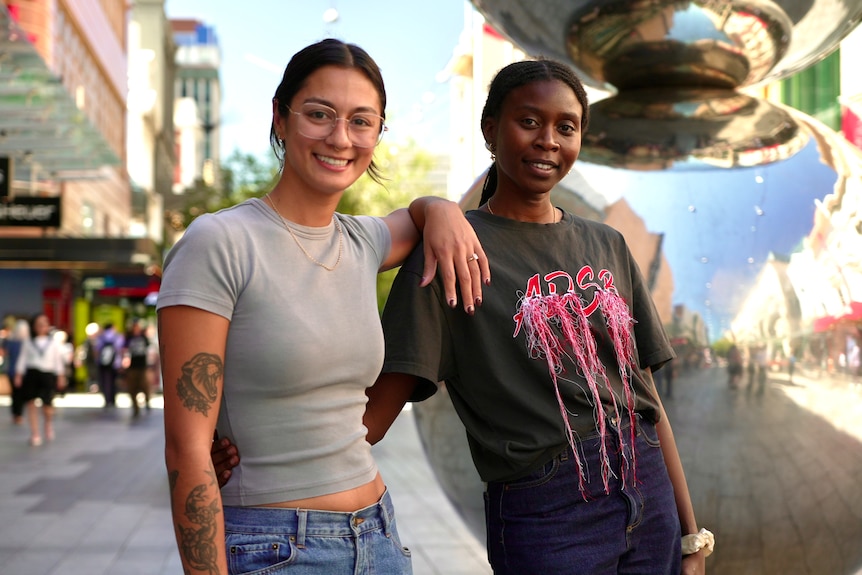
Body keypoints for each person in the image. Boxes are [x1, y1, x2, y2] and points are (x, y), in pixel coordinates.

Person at [214, 58, 711, 574]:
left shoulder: (607, 243)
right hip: (550, 513)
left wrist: (690, 533)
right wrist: (246, 447)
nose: (548, 140)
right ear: (490, 130)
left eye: (567, 126)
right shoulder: (447, 253)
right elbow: (368, 421)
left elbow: (646, 397)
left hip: (647, 489)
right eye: (529, 121)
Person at [158, 39, 488, 575]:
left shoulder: (363, 242)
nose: (341, 137)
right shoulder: (218, 242)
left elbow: (418, 215)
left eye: (362, 122)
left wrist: (443, 209)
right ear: (280, 119)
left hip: (378, 535)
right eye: (319, 114)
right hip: (274, 547)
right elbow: (186, 450)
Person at [13, 314, 67, 446]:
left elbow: (57, 361)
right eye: (39, 324)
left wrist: (61, 376)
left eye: (45, 324)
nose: (42, 327)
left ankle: (48, 423)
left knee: (47, 406)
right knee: (31, 404)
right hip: (32, 373)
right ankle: (35, 433)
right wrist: (18, 374)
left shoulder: (53, 342)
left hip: (47, 374)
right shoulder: (28, 342)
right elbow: (22, 359)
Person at [121, 319, 151, 417]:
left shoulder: (143, 337)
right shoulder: (128, 337)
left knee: (144, 386)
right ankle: (136, 407)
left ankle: (147, 401)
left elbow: (149, 349)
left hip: (142, 365)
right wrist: (125, 359)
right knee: (132, 388)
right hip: (132, 366)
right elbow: (124, 349)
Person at [4, 318, 29, 424]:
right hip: (16, 372)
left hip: (16, 371)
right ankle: (17, 414)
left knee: (16, 394)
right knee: (18, 394)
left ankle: (17, 414)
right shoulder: (17, 343)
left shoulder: (13, 342)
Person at [95, 323, 122, 408]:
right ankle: (113, 400)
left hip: (103, 364)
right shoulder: (117, 336)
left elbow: (97, 350)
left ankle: (107, 400)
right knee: (114, 382)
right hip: (114, 363)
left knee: (105, 382)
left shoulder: (101, 337)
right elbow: (119, 349)